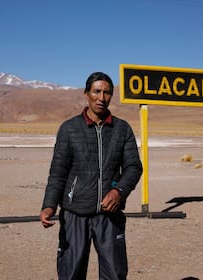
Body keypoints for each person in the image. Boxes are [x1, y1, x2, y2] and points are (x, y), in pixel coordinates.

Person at [39, 71, 143, 280]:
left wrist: (118, 192)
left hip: (109, 215)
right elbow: (58, 172)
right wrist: (49, 205)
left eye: (107, 93)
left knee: (115, 274)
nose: (101, 98)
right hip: (74, 214)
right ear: (86, 93)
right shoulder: (69, 129)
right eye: (96, 91)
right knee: (71, 273)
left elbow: (134, 167)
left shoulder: (122, 129)